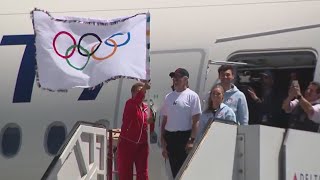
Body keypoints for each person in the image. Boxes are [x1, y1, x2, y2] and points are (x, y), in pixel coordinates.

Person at [160, 68, 201, 178]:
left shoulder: (192, 96)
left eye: (178, 77)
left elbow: (196, 120)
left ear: (185, 79)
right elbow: (164, 119)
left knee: (184, 170)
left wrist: (191, 140)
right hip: (170, 138)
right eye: (174, 77)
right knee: (172, 171)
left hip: (184, 137)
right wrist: (162, 138)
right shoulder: (168, 97)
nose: (175, 80)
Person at [117, 82, 151, 180]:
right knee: (126, 171)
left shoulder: (146, 108)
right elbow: (135, 104)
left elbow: (149, 127)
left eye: (143, 91)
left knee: (143, 172)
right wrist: (144, 87)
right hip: (128, 142)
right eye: (139, 91)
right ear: (132, 93)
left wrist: (151, 121)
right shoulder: (130, 103)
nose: (143, 93)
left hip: (142, 144)